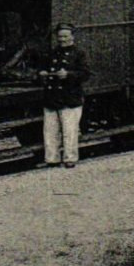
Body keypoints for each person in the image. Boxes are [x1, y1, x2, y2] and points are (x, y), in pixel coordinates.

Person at [40, 24, 91, 169]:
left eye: (65, 36)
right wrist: (42, 73)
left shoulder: (79, 54)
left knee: (69, 131)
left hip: (70, 98)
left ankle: (70, 159)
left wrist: (68, 75)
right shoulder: (52, 53)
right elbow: (43, 67)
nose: (62, 40)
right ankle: (52, 159)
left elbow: (85, 73)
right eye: (60, 36)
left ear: (72, 37)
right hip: (52, 97)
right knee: (50, 132)